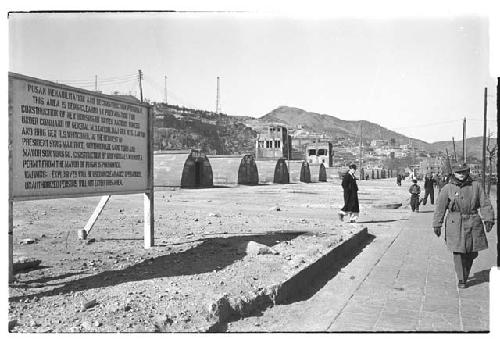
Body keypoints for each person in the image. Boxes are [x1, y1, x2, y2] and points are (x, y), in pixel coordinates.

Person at [432, 163, 495, 288]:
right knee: (459, 252)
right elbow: (440, 207)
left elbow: (485, 203)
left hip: (473, 220)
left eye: (464, 172)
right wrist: (437, 224)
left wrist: (488, 219)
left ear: (467, 172)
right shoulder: (447, 188)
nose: (461, 175)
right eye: (458, 172)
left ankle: (465, 271)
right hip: (455, 222)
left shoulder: (476, 186)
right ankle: (462, 278)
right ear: (454, 173)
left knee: (471, 252)